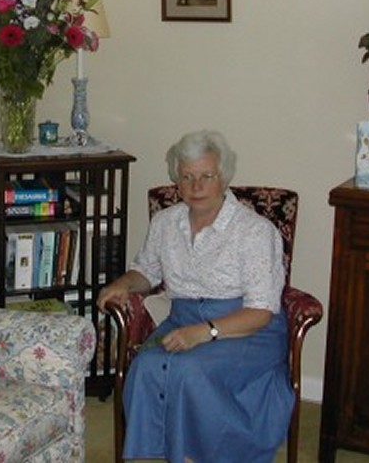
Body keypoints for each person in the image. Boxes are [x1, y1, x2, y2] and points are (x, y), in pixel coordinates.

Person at [97, 130, 293, 463]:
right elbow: (147, 271)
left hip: (246, 329)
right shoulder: (165, 223)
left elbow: (261, 312)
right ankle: (163, 452)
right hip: (183, 319)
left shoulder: (255, 231)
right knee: (146, 366)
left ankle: (199, 455)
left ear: (224, 178)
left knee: (188, 370)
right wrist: (124, 284)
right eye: (187, 177)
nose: (196, 186)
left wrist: (204, 332)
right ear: (177, 180)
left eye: (206, 176)